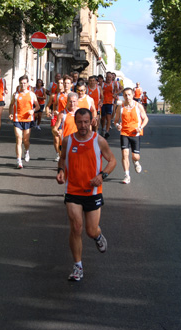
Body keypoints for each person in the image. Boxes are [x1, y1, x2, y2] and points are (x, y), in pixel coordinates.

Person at [56, 108, 116, 282]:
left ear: (91, 122)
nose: (83, 125)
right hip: (73, 190)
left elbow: (112, 161)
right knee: (76, 227)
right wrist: (60, 170)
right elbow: (62, 158)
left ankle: (97, 235)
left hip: (93, 192)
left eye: (86, 122)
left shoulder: (99, 141)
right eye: (80, 122)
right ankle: (77, 266)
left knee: (90, 230)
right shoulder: (68, 140)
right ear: (75, 122)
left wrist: (102, 175)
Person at [114, 88, 149, 184]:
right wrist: (117, 126)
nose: (127, 97)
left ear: (133, 95)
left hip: (135, 133)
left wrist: (141, 127)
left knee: (135, 156)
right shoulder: (120, 107)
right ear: (123, 96)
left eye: (129, 94)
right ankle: (126, 175)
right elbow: (116, 121)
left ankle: (136, 162)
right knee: (125, 154)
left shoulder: (138, 106)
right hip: (124, 133)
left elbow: (145, 119)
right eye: (125, 95)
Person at [8, 75, 39, 169]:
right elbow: (11, 105)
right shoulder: (16, 94)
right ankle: (19, 161)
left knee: (26, 140)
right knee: (19, 139)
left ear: (28, 84)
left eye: (25, 83)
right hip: (17, 119)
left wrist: (33, 110)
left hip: (28, 120)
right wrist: (10, 113)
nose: (23, 85)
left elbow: (37, 106)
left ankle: (27, 151)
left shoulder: (32, 94)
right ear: (19, 84)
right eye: (21, 83)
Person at [100, 72, 117, 138]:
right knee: (103, 118)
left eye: (110, 77)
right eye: (108, 77)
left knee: (108, 117)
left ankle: (107, 131)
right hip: (103, 102)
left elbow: (117, 90)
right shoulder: (102, 84)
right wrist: (102, 94)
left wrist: (115, 94)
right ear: (106, 77)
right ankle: (103, 129)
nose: (109, 78)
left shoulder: (113, 84)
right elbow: (100, 91)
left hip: (110, 103)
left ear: (112, 78)